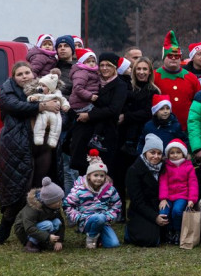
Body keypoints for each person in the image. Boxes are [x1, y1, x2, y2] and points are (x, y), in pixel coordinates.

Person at [0, 62, 61, 244]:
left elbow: (58, 101)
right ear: (13, 77)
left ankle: (42, 231)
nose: (24, 76)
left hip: (43, 145)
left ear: (33, 73)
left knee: (40, 187)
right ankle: (4, 230)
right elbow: (15, 107)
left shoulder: (42, 86)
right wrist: (42, 107)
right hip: (17, 146)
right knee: (18, 190)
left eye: (27, 72)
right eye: (20, 74)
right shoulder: (7, 91)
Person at [68, 52, 128, 180]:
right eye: (102, 65)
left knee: (103, 172)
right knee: (84, 170)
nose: (105, 68)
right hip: (85, 132)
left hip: (106, 134)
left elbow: (113, 109)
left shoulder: (120, 85)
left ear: (115, 67)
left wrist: (89, 115)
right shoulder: (93, 80)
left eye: (109, 65)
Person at [117, 57, 160, 209]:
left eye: (144, 69)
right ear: (134, 71)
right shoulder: (127, 88)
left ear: (149, 72)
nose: (141, 72)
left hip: (143, 136)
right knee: (121, 173)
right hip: (124, 136)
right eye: (138, 69)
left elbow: (148, 113)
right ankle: (121, 209)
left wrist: (127, 116)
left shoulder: (154, 91)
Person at [63, 153, 122, 249]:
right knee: (98, 218)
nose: (99, 178)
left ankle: (98, 237)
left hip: (104, 220)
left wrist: (109, 216)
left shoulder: (110, 189)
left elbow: (117, 204)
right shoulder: (79, 189)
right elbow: (67, 205)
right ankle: (91, 237)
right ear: (89, 176)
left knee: (113, 244)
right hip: (86, 220)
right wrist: (78, 217)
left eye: (102, 176)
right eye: (96, 175)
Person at [124, 134, 169, 247]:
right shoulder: (134, 170)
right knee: (150, 240)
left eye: (159, 153)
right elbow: (137, 201)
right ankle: (128, 233)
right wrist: (154, 217)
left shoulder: (164, 168)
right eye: (152, 152)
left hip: (160, 206)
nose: (156, 156)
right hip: (142, 210)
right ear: (145, 152)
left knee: (164, 235)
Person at [153, 31, 201, 131]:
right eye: (170, 56)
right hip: (161, 128)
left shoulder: (191, 77)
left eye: (177, 56)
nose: (174, 59)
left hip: (187, 128)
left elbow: (198, 102)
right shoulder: (154, 76)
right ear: (164, 57)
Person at [158, 139, 198, 245]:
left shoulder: (189, 167)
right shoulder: (165, 166)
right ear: (168, 154)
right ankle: (168, 232)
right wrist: (163, 198)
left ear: (183, 153)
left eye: (178, 152)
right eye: (172, 152)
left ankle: (177, 231)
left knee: (177, 211)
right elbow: (163, 183)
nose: (175, 155)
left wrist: (191, 199)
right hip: (168, 196)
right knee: (163, 213)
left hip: (182, 196)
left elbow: (193, 184)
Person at [14, 178, 66, 253]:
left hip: (40, 227)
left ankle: (42, 242)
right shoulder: (33, 208)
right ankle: (30, 244)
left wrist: (59, 240)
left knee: (58, 222)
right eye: (57, 201)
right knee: (48, 224)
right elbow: (29, 228)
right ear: (48, 201)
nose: (60, 203)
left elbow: (61, 223)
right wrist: (48, 237)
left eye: (60, 200)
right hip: (24, 232)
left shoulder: (54, 207)